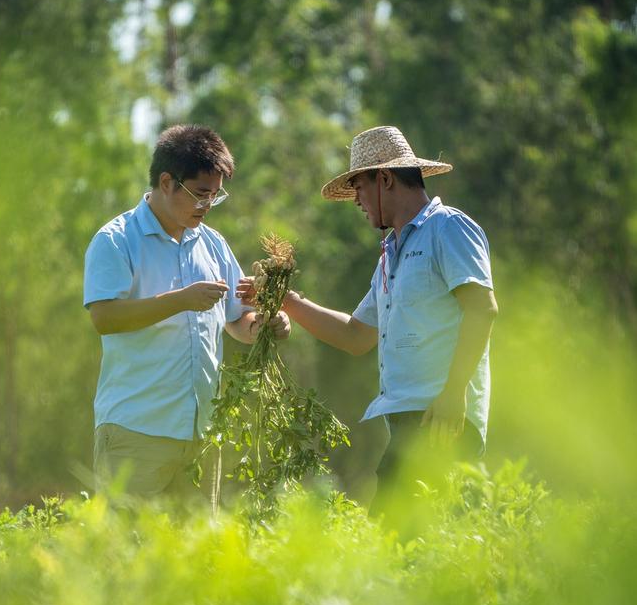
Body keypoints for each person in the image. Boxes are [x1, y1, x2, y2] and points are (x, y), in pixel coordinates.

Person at [239, 125, 497, 507]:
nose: (357, 200)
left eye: (359, 187)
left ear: (385, 179)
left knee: (411, 540)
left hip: (442, 419)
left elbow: (482, 308)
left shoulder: (447, 228)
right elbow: (356, 335)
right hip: (409, 420)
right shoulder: (391, 255)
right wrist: (285, 301)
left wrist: (453, 393)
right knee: (416, 548)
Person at [84, 123, 289, 503]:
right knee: (128, 554)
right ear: (166, 182)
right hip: (136, 431)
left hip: (201, 435)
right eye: (199, 194)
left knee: (195, 559)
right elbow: (105, 317)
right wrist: (180, 299)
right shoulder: (116, 240)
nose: (207, 205)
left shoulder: (212, 244)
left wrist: (265, 325)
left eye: (215, 196)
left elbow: (237, 320)